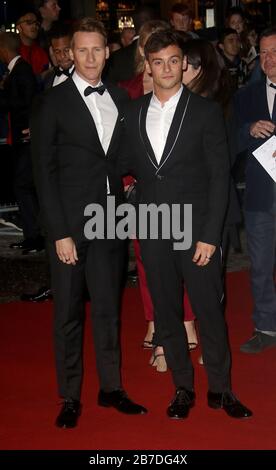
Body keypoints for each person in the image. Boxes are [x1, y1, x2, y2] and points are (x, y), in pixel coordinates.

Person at [122, 29, 252, 419]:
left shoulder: (206, 112)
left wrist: (211, 236)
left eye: (173, 61)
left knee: (209, 311)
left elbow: (218, 179)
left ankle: (221, 389)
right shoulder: (132, 113)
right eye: (158, 61)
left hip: (197, 232)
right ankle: (182, 387)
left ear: (184, 65)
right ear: (149, 65)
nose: (166, 68)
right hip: (153, 227)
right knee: (165, 311)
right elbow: (122, 168)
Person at [31, 17, 147, 429]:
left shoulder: (119, 97)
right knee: (67, 313)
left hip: (110, 221)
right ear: (69, 54)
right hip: (69, 227)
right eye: (82, 50)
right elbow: (42, 172)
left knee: (108, 309)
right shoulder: (52, 101)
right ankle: (70, 395)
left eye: (98, 49)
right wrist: (59, 231)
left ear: (108, 50)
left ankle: (111, 387)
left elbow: (124, 159)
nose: (91, 57)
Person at [119, 22, 198, 373]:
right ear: (143, 53)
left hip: (182, 197)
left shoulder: (186, 89)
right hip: (142, 196)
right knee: (151, 265)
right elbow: (119, 148)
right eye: (149, 46)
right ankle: (159, 327)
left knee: (186, 264)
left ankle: (187, 322)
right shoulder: (127, 91)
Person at [235, 27, 276, 354]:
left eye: (275, 51)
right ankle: (266, 328)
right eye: (263, 53)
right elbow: (229, 141)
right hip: (260, 197)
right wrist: (248, 129)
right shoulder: (245, 96)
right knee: (260, 266)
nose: (269, 58)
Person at [0, 32, 43, 254]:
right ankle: (32, 235)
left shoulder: (22, 70)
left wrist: (2, 96)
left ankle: (35, 236)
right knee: (23, 186)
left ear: (4, 49)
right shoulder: (15, 71)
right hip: (20, 138)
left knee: (23, 185)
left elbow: (28, 102)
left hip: (27, 138)